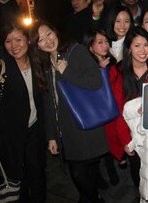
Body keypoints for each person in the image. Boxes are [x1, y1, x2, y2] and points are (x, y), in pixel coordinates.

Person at [30, 21, 109, 203]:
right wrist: (51, 136)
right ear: (37, 46)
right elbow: (49, 102)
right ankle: (93, 197)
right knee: (83, 172)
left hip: (83, 124)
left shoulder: (76, 51)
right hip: (66, 130)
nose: (47, 41)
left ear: (55, 31)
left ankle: (91, 199)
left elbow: (95, 82)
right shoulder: (45, 64)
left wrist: (67, 70)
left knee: (79, 173)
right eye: (40, 40)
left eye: (48, 34)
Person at [0, 23, 46, 202]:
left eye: (18, 39)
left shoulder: (37, 63)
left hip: (33, 130)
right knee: (18, 177)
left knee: (38, 173)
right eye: (8, 41)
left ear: (28, 40)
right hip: (8, 135)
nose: (14, 45)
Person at [106, 27, 148, 190]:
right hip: (132, 135)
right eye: (137, 45)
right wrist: (125, 141)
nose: (143, 50)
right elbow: (118, 111)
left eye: (146, 45)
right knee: (138, 171)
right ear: (129, 49)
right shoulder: (119, 71)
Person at [83, 29, 119, 187]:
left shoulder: (112, 61)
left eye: (106, 41)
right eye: (100, 42)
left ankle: (112, 170)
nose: (105, 45)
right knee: (98, 147)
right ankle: (98, 176)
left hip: (112, 108)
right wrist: (100, 71)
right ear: (91, 47)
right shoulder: (87, 67)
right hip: (96, 111)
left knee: (109, 143)